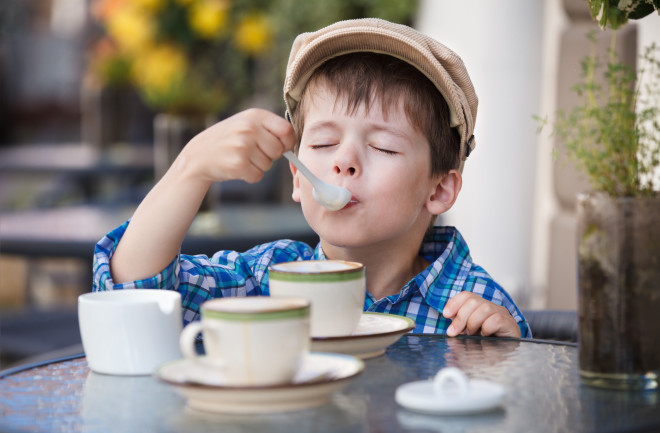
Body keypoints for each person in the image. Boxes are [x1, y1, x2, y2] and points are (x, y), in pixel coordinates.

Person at [93, 18, 531, 338]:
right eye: (322, 145)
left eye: (382, 147)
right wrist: (191, 168)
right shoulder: (265, 280)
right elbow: (132, 289)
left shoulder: (474, 306)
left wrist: (507, 357)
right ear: (298, 180)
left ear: (438, 189)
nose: (344, 161)